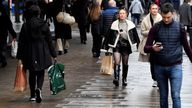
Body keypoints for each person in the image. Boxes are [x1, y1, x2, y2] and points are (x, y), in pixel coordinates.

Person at [144, 3, 192, 108]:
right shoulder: (155, 28)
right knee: (163, 97)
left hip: (176, 66)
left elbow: (187, 47)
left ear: (173, 14)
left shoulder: (180, 27)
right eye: (164, 17)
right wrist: (153, 48)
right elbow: (145, 48)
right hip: (159, 67)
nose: (166, 19)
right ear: (161, 14)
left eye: (169, 17)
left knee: (176, 96)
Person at [16, 5, 57, 103]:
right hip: (42, 51)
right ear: (39, 13)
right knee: (41, 72)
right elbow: (49, 41)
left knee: (32, 73)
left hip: (29, 52)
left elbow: (21, 42)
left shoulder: (25, 25)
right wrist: (54, 54)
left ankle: (32, 95)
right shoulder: (44, 24)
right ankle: (39, 88)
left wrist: (19, 57)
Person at [105, 8, 140, 87]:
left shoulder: (130, 24)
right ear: (118, 14)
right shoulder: (114, 24)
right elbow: (109, 36)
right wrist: (107, 48)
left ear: (126, 14)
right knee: (117, 61)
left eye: (123, 13)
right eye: (120, 13)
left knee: (125, 63)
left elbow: (135, 37)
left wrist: (137, 45)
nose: (122, 15)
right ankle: (116, 78)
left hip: (126, 45)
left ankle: (124, 78)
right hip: (116, 45)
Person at [138, 3, 162, 87]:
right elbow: (142, 31)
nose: (154, 10)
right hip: (149, 43)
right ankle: (155, 79)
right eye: (153, 8)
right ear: (150, 10)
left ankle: (160, 79)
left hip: (159, 42)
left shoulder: (161, 18)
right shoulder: (145, 19)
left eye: (156, 8)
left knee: (159, 62)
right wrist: (151, 32)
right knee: (152, 62)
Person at [0, 2, 17, 68]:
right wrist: (14, 35)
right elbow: (9, 26)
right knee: (2, 47)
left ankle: (3, 59)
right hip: (3, 34)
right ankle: (3, 60)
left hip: (3, 34)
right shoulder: (5, 15)